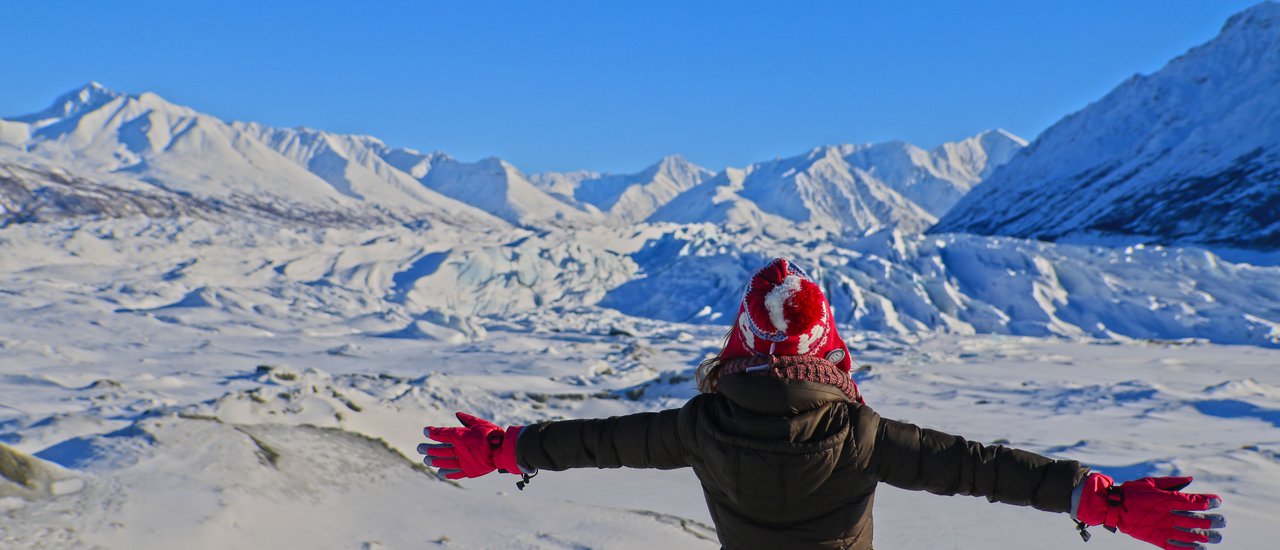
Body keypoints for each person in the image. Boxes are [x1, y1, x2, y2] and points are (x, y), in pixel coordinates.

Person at [419, 258, 1225, 550]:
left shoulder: (699, 427)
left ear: (738, 345)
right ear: (830, 351)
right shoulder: (862, 434)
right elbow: (982, 470)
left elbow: (597, 443)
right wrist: (1098, 498)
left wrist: (506, 448)